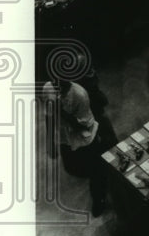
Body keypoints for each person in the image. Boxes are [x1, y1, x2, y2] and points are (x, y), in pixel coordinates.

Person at [42, 78, 110, 216]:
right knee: (72, 169)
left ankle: (99, 199)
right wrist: (50, 141)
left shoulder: (80, 94)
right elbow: (48, 116)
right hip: (65, 138)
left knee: (95, 172)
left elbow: (81, 126)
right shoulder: (48, 89)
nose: (58, 84)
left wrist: (61, 111)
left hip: (84, 139)